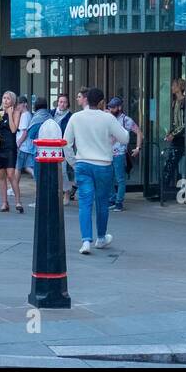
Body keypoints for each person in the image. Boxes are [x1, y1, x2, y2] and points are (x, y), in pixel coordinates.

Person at [64, 87, 127, 254]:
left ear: (86, 99)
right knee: (102, 202)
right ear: (101, 102)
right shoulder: (108, 118)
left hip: (83, 164)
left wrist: (73, 162)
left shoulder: (76, 117)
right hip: (103, 164)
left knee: (84, 203)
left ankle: (86, 241)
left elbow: (66, 143)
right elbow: (125, 138)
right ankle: (100, 237)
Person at [106, 96, 142, 212]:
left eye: (113, 107)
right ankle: (112, 200)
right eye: (110, 107)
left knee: (120, 178)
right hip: (108, 153)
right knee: (109, 178)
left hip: (119, 153)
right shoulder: (109, 118)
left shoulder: (125, 120)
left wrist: (137, 148)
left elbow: (139, 132)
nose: (111, 109)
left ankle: (119, 202)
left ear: (119, 108)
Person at [0, 90, 24, 213]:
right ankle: (4, 203)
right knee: (1, 175)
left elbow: (13, 129)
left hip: (10, 146)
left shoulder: (16, 112)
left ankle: (18, 202)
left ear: (12, 101)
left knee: (11, 174)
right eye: (4, 98)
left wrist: (10, 114)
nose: (5, 100)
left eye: (8, 98)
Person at [160, 77, 186, 203]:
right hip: (178, 136)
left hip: (182, 138)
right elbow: (176, 122)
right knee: (171, 163)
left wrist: (173, 134)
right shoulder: (175, 102)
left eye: (174, 85)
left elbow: (183, 124)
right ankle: (163, 189)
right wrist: (170, 132)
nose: (172, 87)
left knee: (171, 163)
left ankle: (163, 190)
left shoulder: (183, 102)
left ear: (179, 87)